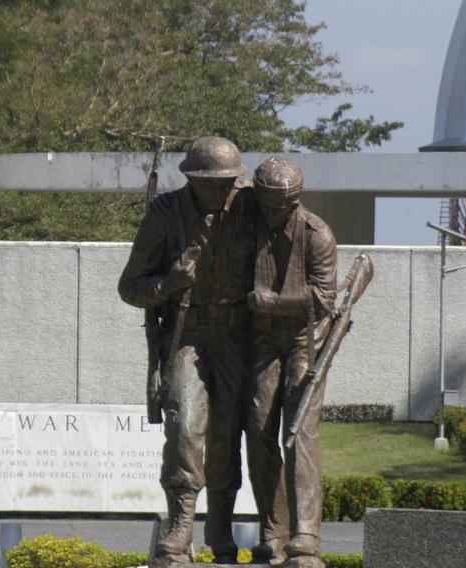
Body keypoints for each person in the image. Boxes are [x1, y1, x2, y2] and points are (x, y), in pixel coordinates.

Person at [117, 136, 255, 567]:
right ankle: (180, 527)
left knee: (228, 432)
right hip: (187, 335)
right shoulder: (165, 214)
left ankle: (220, 530)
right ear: (191, 179)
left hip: (237, 335)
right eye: (210, 183)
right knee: (184, 428)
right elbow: (130, 288)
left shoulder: (251, 209)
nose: (219, 190)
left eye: (227, 182)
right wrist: (169, 284)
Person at [245, 156, 337, 567]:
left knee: (299, 433)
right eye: (263, 201)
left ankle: (306, 535)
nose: (269, 210)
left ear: (294, 200)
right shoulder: (246, 225)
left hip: (305, 341)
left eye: (277, 204)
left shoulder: (317, 235)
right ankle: (273, 529)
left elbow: (323, 299)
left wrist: (275, 302)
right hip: (262, 342)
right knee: (259, 428)